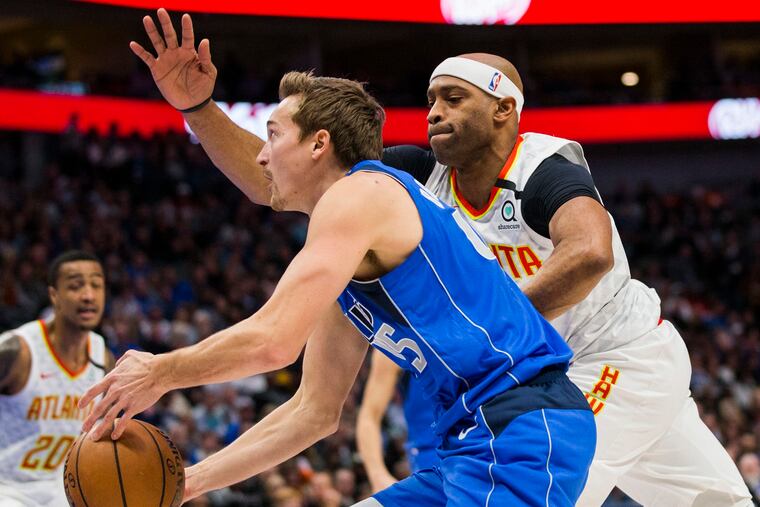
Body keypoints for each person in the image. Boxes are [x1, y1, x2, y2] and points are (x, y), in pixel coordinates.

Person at [125, 10, 750, 505]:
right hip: (496, 411)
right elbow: (282, 180)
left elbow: (589, 254)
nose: (434, 113)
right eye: (430, 99)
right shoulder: (406, 184)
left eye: (454, 98)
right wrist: (198, 110)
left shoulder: (542, 168)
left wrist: (494, 319)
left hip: (604, 360)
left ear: (504, 109)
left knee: (568, 488)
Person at [79, 69, 596, 506]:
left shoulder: (360, 193)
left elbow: (273, 340)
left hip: (520, 427)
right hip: (471, 441)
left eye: (273, 135)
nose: (261, 157)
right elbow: (313, 412)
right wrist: (184, 485)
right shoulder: (351, 253)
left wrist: (160, 371)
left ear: (318, 144)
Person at [0, 250, 113, 507]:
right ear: (54, 295)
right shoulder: (17, 351)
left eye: (96, 285)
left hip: (62, 490)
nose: (88, 295)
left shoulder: (102, 357)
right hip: (7, 489)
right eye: (75, 286)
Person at [356, 350, 438, 492]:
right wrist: (377, 475)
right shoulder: (392, 347)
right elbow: (369, 416)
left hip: (477, 446)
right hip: (430, 459)